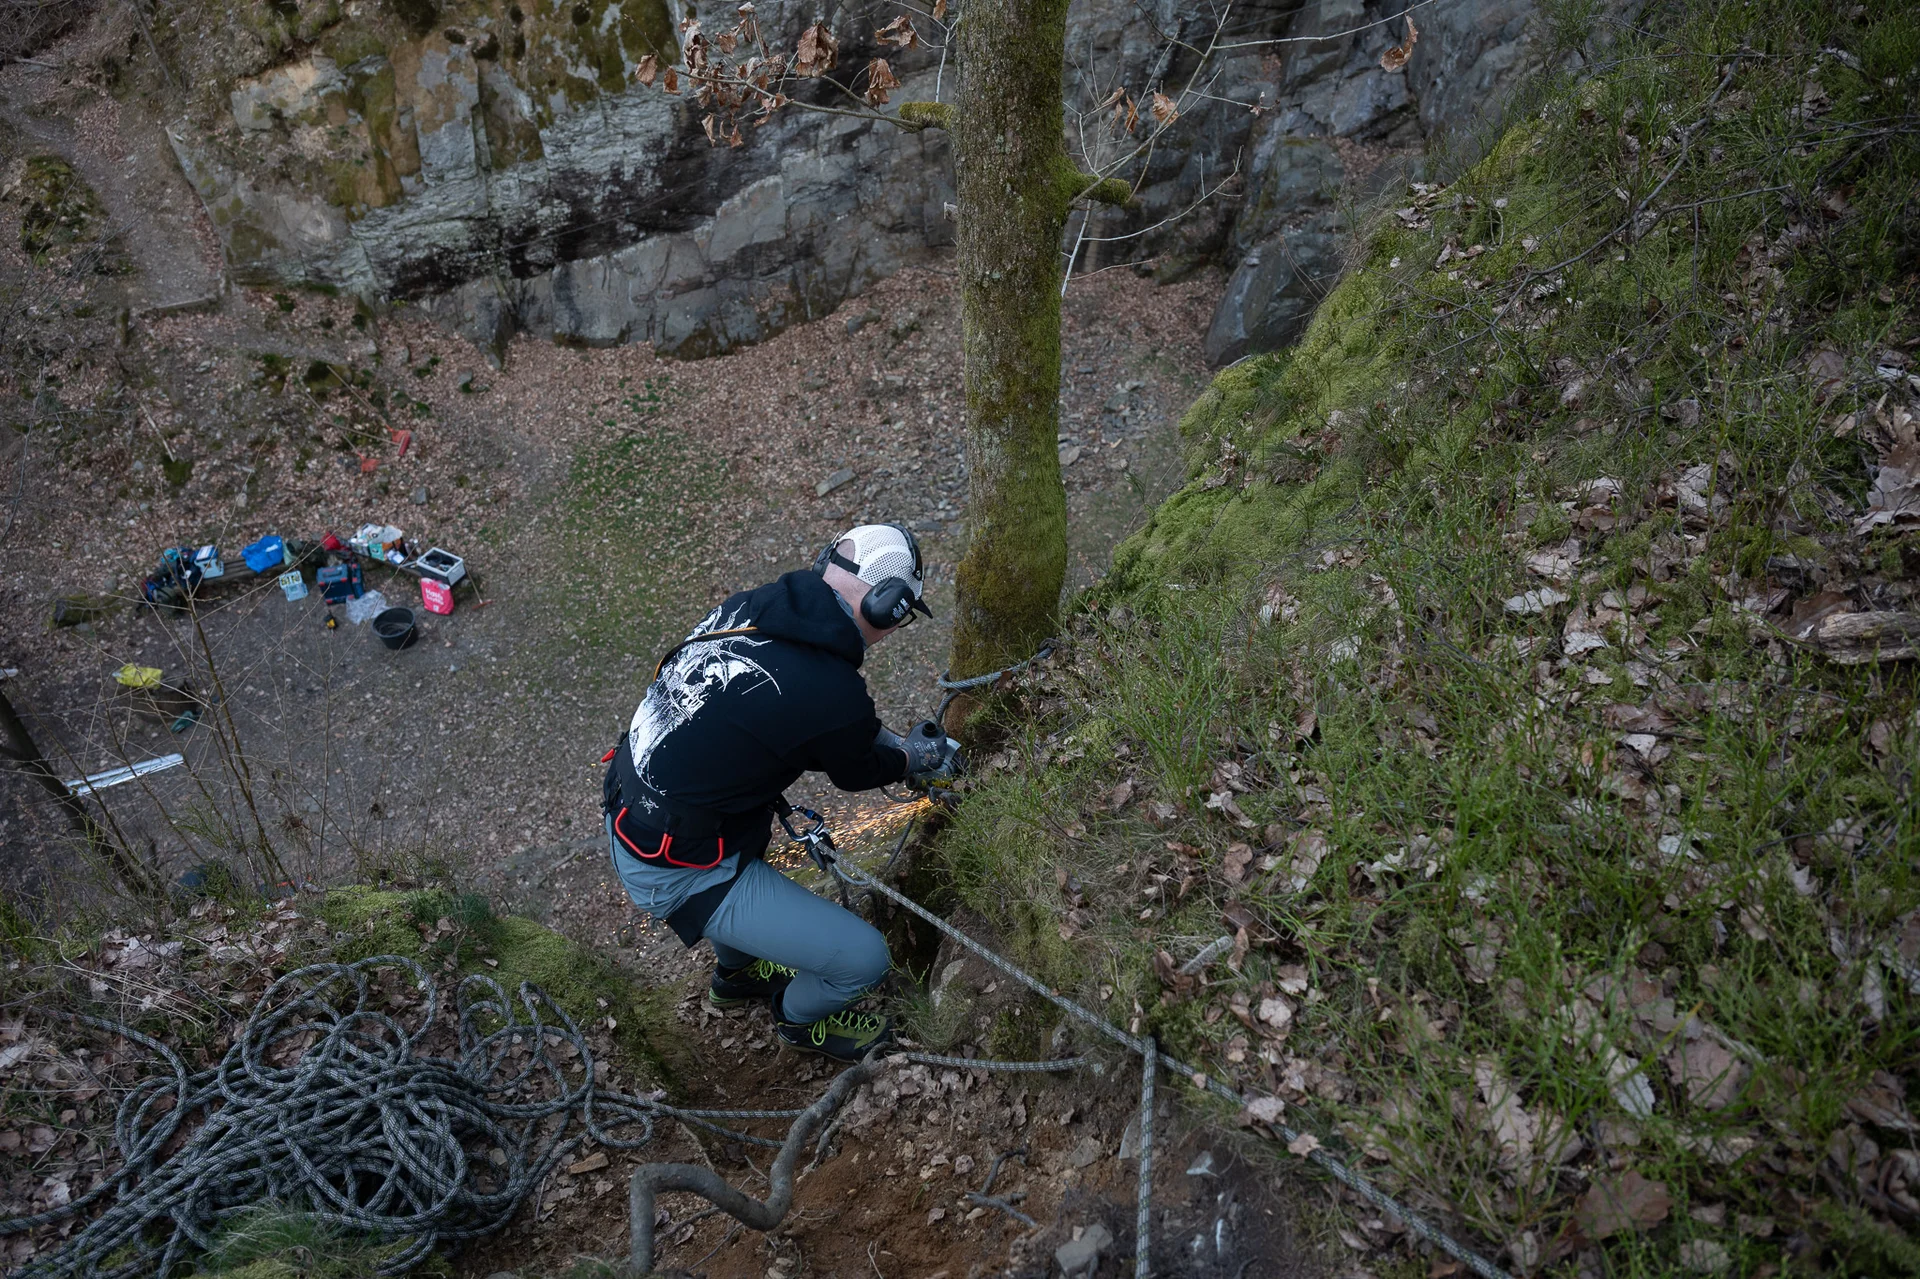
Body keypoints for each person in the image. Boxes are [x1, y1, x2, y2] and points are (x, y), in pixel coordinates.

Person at [602, 523, 960, 1061]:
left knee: (749, 844)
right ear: (888, 604)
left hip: (636, 814)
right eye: (902, 615)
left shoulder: (750, 607)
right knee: (865, 959)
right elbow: (858, 766)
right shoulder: (832, 692)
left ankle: (736, 975)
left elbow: (803, 723)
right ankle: (797, 1021)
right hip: (677, 869)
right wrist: (914, 758)